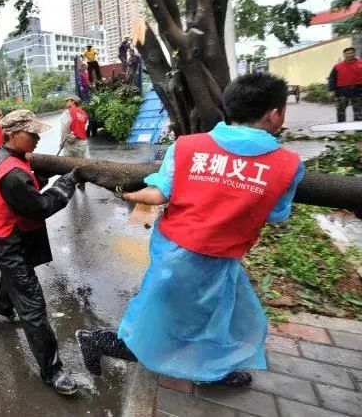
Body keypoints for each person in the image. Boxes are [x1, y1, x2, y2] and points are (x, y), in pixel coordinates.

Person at [76, 73, 304, 388]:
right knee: (177, 322)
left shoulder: (188, 146)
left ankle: (211, 369)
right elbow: (277, 214)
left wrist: (125, 192)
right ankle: (98, 341)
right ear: (275, 113)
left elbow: (158, 194)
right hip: (219, 255)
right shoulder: (287, 164)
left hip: (175, 252)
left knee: (185, 317)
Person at [0, 109, 83, 395]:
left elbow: (13, 192)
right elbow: (41, 208)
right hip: (9, 242)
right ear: (11, 134)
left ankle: (3, 307)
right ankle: (53, 371)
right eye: (31, 133)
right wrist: (65, 182)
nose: (36, 138)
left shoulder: (1, 155)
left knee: (17, 277)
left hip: (7, 234)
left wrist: (37, 177)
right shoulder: (12, 173)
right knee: (33, 306)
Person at [328, 46, 362, 122]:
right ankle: (341, 130)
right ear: (344, 55)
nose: (349, 55)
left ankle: (358, 131)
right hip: (342, 91)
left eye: (351, 53)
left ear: (354, 53)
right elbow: (332, 78)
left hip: (358, 91)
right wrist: (332, 90)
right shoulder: (338, 66)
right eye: (347, 53)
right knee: (340, 112)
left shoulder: (361, 63)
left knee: (359, 112)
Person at [60, 96, 89, 160]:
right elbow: (85, 128)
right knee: (81, 163)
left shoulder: (67, 112)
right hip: (82, 143)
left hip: (71, 144)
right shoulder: (84, 113)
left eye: (68, 101)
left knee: (68, 164)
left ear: (73, 101)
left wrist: (61, 143)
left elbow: (64, 130)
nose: (66, 103)